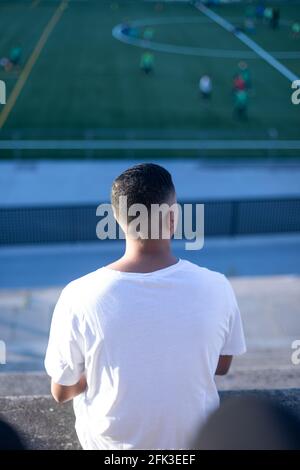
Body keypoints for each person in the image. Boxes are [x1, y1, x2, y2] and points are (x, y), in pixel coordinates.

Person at [45, 163, 246, 450]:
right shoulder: (218, 286)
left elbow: (62, 391)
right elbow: (222, 365)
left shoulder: (77, 295)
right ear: (173, 219)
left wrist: (101, 369)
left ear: (117, 218)